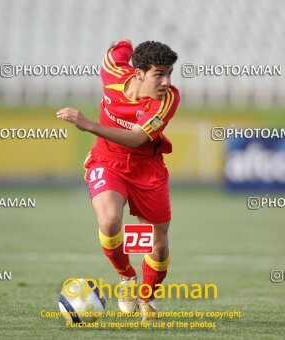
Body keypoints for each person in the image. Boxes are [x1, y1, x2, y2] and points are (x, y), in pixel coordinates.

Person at [56, 39, 179, 322]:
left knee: (158, 245)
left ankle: (147, 298)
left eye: (169, 73)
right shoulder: (112, 70)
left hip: (147, 169)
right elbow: (119, 47)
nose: (166, 81)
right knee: (110, 220)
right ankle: (126, 278)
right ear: (138, 73)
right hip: (107, 161)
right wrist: (123, 43)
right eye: (158, 74)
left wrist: (88, 125)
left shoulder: (168, 99)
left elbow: (137, 138)